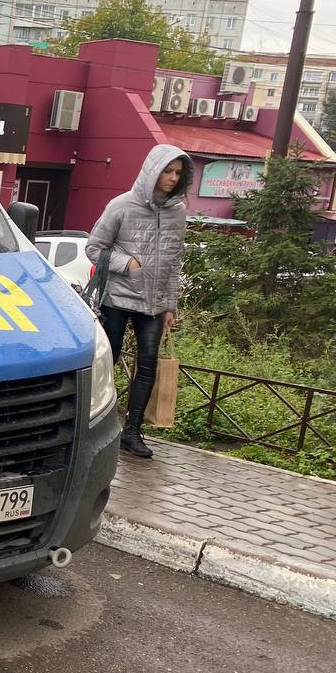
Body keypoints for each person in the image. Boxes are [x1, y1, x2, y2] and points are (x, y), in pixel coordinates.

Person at [85, 143, 194, 460]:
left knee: (147, 366)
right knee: (108, 362)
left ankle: (132, 432)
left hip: (154, 304)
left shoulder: (178, 212)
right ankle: (98, 428)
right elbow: (94, 248)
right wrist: (127, 264)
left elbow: (175, 262)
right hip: (118, 299)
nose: (172, 178)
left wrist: (171, 304)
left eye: (177, 173)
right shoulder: (121, 206)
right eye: (167, 171)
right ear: (152, 171)